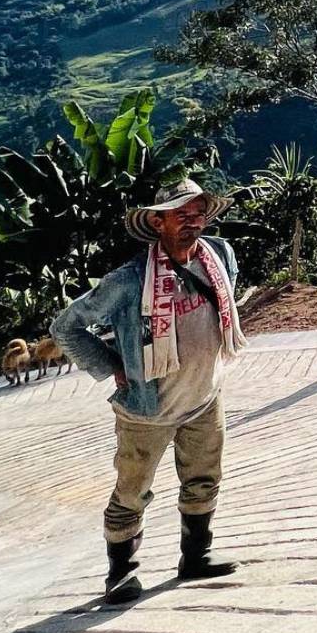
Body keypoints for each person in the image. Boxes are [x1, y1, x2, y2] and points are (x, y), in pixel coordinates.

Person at [52, 178, 249, 603]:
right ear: (158, 222)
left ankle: (196, 555)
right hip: (146, 410)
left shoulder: (220, 257)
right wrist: (110, 365)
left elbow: (226, 302)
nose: (192, 222)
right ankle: (120, 574)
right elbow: (65, 327)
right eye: (181, 214)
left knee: (204, 479)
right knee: (131, 491)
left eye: (198, 213)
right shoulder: (128, 281)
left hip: (203, 397)